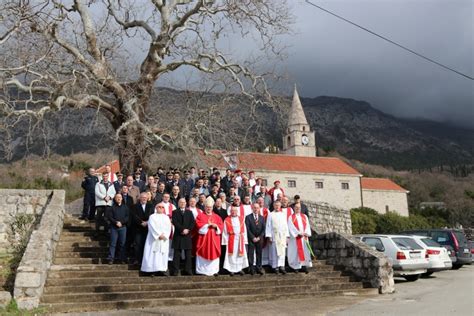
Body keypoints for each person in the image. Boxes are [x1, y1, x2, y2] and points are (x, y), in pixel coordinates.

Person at [195, 198, 224, 276]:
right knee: (203, 252)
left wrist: (216, 226)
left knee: (214, 253)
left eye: (210, 207)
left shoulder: (217, 217)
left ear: (212, 207)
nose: (209, 209)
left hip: (214, 239)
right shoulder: (200, 216)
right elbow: (198, 226)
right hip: (204, 239)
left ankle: (214, 271)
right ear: (205, 207)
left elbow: (221, 227)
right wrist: (208, 225)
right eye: (207, 207)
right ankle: (202, 271)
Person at [141, 203, 172, 276]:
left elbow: (168, 227)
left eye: (162, 207)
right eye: (159, 207)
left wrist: (164, 235)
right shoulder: (152, 217)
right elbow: (152, 226)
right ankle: (152, 270)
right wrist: (158, 235)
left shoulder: (166, 217)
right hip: (154, 239)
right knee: (153, 253)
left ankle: (162, 269)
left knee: (162, 253)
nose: (161, 208)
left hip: (163, 239)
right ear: (156, 208)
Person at [171, 198, 195, 276]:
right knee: (177, 254)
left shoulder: (189, 212)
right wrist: (182, 229)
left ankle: (188, 270)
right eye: (181, 202)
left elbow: (192, 222)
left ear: (186, 203)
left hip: (187, 235)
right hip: (178, 235)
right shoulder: (174, 212)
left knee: (188, 254)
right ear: (178, 203)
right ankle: (175, 270)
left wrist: (187, 230)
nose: (182, 203)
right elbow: (175, 222)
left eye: (184, 202)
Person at [222, 206, 248, 275]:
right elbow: (224, 231)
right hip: (231, 239)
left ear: (237, 211)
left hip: (240, 240)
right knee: (231, 255)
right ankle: (231, 270)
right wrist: (225, 241)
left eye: (235, 211)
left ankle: (240, 269)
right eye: (232, 211)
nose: (233, 212)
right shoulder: (227, 220)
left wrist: (245, 240)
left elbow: (244, 230)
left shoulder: (241, 219)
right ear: (230, 211)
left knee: (239, 255)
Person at [265, 201, 289, 274]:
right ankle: (275, 267)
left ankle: (282, 266)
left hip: (282, 236)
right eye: (276, 205)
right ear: (273, 206)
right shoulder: (271, 214)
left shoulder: (283, 214)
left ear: (280, 206)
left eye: (278, 205)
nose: (277, 207)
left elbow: (285, 225)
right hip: (274, 236)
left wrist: (287, 236)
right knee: (275, 252)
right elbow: (268, 225)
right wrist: (269, 236)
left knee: (282, 252)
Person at [287, 203, 312, 273]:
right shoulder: (291, 217)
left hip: (304, 237)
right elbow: (290, 227)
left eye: (299, 208)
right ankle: (295, 266)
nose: (298, 209)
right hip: (295, 238)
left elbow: (307, 225)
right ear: (294, 208)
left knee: (305, 251)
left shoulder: (304, 216)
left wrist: (306, 233)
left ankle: (304, 265)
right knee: (295, 252)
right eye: (296, 207)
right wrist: (298, 233)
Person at [132, 193, 153, 264]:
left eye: (145, 197)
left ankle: (146, 260)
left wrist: (147, 222)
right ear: (140, 198)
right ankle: (137, 259)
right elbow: (134, 216)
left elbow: (152, 216)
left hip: (148, 229)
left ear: (147, 198)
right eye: (142, 197)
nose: (144, 199)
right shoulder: (135, 206)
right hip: (138, 228)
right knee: (138, 244)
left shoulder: (151, 206)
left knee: (147, 245)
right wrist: (141, 223)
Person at [107, 194, 129, 264]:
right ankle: (111, 259)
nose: (119, 198)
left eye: (120, 197)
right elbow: (110, 217)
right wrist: (116, 222)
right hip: (114, 227)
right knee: (113, 244)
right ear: (115, 199)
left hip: (123, 227)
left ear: (122, 198)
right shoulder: (112, 208)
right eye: (117, 197)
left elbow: (127, 217)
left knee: (122, 244)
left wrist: (121, 223)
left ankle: (122, 259)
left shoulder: (125, 207)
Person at [245, 203, 265, 275]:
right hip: (251, 239)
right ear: (252, 208)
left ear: (259, 209)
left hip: (259, 239)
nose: (256, 209)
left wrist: (259, 237)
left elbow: (264, 229)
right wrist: (253, 237)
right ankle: (251, 268)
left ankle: (259, 267)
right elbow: (247, 229)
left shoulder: (262, 218)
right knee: (250, 253)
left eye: (257, 208)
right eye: (254, 208)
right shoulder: (248, 217)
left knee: (259, 253)